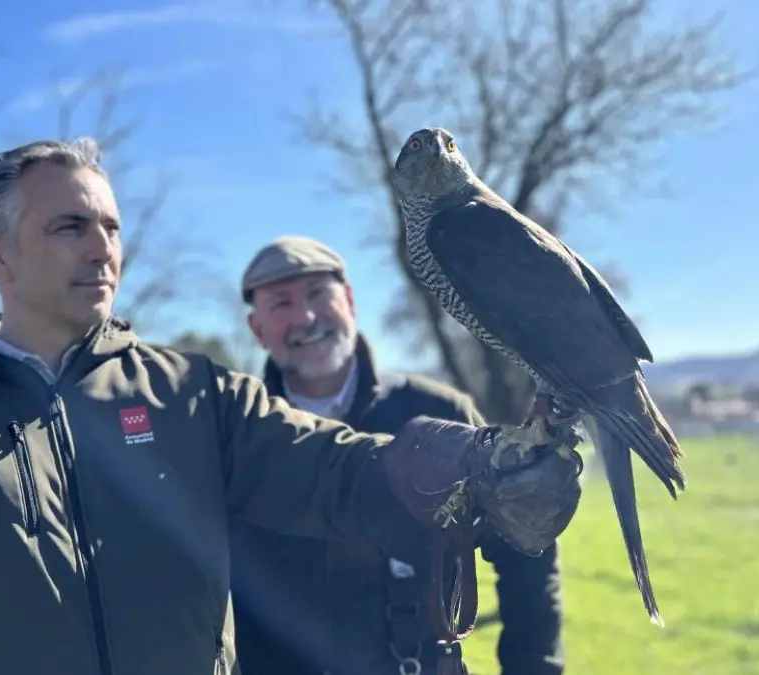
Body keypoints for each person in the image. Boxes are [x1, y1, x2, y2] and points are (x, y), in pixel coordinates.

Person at [0, 138, 583, 675]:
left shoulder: (193, 392)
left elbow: (331, 465)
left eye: (111, 226)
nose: (103, 248)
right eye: (70, 226)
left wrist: (473, 463)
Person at [229, 236, 567, 675]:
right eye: (281, 303)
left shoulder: (439, 413)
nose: (306, 317)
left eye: (317, 293)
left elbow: (525, 556)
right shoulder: (238, 436)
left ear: (350, 300)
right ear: (256, 329)